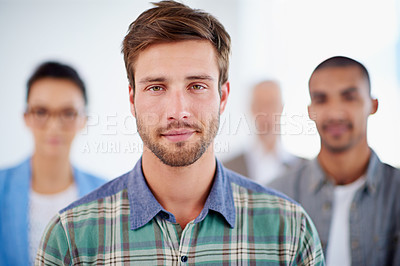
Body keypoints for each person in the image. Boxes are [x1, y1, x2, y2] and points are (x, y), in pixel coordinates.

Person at [36, 1, 324, 264]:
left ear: (223, 97)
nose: (178, 111)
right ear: (132, 99)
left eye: (196, 86)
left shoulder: (289, 231)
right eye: (156, 87)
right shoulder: (69, 238)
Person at [270, 56, 400, 266]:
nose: (335, 113)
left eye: (349, 97)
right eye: (321, 99)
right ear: (310, 111)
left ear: (373, 105)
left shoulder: (396, 192)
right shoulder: (277, 197)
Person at [0, 61, 106, 265]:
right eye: (41, 112)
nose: (54, 126)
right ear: (26, 117)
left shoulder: (108, 194)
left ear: (83, 119)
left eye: (67, 113)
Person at [224, 80, 304, 185]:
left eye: (271, 104)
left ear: (281, 108)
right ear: (252, 109)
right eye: (259, 106)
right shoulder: (228, 168)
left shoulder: (302, 168)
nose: (265, 113)